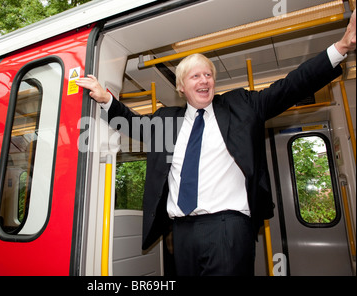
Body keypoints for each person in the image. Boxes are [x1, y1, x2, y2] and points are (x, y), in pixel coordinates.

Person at [76, 10, 356, 276]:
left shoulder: (241, 106)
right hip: (181, 232)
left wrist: (341, 47)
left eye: (208, 74)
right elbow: (133, 123)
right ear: (181, 87)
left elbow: (290, 86)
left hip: (228, 228)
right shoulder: (166, 120)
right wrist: (106, 98)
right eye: (195, 75)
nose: (204, 80)